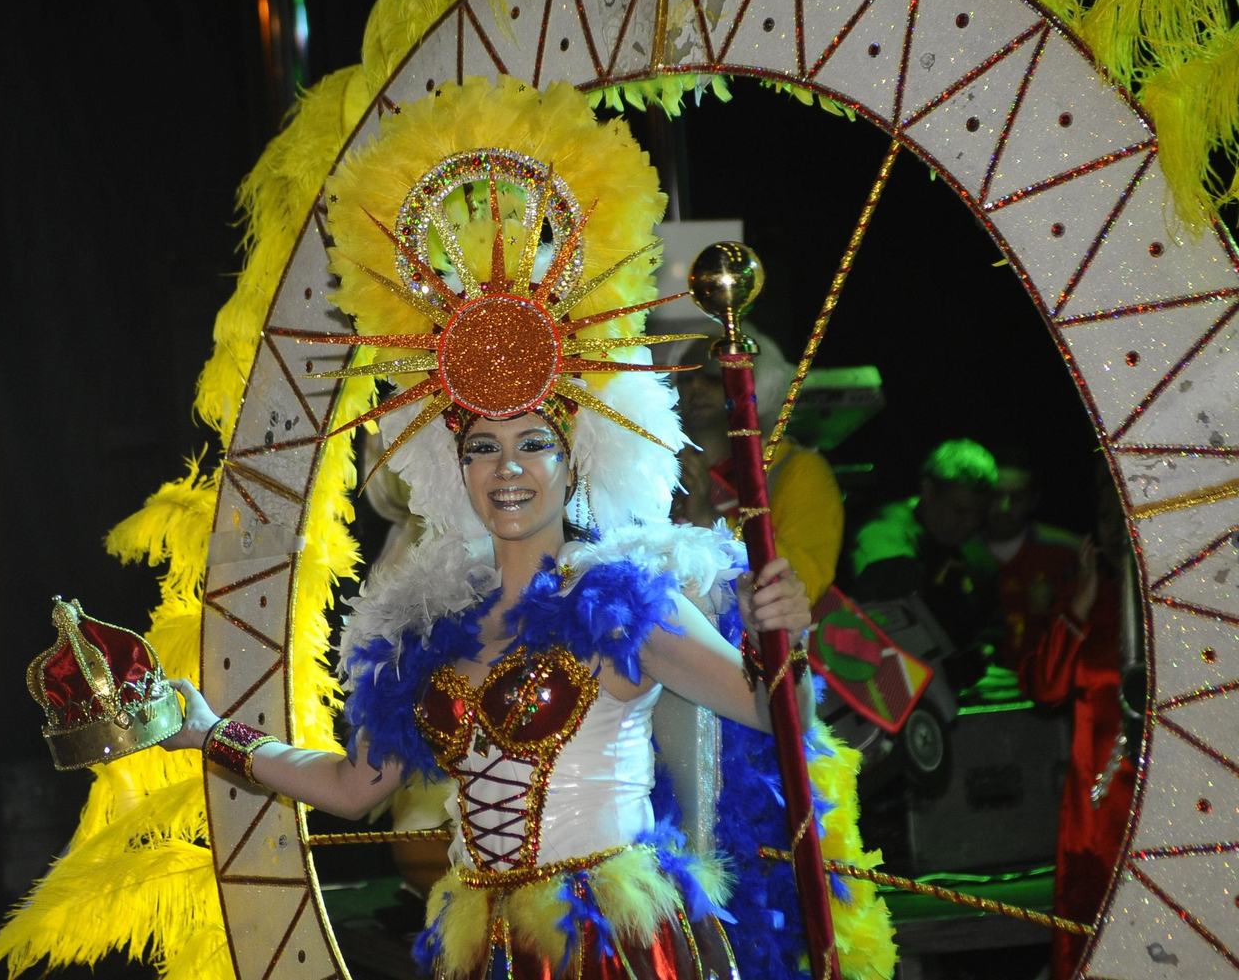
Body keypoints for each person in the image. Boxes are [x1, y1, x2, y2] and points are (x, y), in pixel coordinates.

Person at [161, 78, 896, 980]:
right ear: (454, 465)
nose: (507, 467)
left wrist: (789, 633)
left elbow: (770, 710)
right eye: (483, 445)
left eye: (533, 442)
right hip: (487, 957)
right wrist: (209, 733)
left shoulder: (622, 601)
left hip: (612, 950)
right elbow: (355, 786)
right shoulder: (433, 626)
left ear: (573, 456)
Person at [1018, 474, 1136, 980]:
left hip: (1169, 794)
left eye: (1124, 515)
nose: (1114, 530)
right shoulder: (1093, 601)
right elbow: (1044, 687)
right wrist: (1080, 606)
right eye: (1105, 517)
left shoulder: (1184, 611)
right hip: (1097, 811)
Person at [673, 335, 845, 604]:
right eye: (685, 376)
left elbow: (805, 578)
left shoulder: (799, 470)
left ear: (753, 380)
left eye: (711, 374)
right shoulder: (661, 469)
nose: (694, 385)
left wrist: (709, 519)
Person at [848, 439, 1002, 690]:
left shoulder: (977, 558)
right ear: (929, 490)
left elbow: (988, 633)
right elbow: (882, 638)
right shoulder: (885, 538)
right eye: (960, 511)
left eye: (979, 514)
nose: (971, 524)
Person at [979, 455, 1080, 669]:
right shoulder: (960, 549)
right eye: (996, 496)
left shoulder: (1066, 551)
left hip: (1046, 686)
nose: (1004, 507)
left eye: (1016, 498)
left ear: (1033, 500)